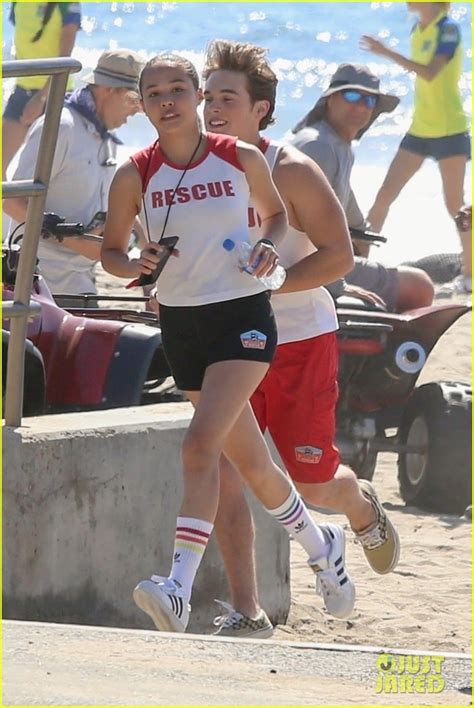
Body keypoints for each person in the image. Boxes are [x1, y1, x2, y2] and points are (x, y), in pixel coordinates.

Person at [101, 52, 357, 634]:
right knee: (252, 464)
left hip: (248, 320)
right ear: (141, 106)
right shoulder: (134, 173)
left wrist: (269, 256)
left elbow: (284, 223)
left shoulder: (250, 159)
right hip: (183, 325)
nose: (171, 101)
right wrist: (133, 265)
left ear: (194, 97)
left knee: (200, 446)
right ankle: (319, 545)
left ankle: (178, 589)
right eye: (154, 93)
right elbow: (116, 253)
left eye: (181, 90)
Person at [202, 39, 400, 638]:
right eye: (206, 95)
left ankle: (361, 509)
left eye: (226, 99)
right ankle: (248, 612)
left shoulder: (290, 168)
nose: (211, 108)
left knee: (311, 481)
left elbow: (340, 258)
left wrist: (270, 288)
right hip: (228, 343)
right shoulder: (194, 164)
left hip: (299, 341)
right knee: (224, 474)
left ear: (260, 109)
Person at [291, 62, 434, 312]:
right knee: (419, 286)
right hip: (302, 264)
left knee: (366, 248)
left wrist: (362, 239)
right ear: (330, 99)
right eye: (352, 95)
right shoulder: (318, 147)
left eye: (369, 101)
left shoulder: (340, 145)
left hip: (321, 258)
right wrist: (338, 283)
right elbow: (298, 228)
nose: (360, 106)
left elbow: (350, 214)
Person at [3, 49, 143, 304]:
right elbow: (11, 201)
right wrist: (78, 241)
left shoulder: (105, 136)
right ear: (110, 90)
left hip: (83, 285)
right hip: (39, 287)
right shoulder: (60, 126)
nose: (137, 111)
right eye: (134, 100)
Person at [361, 2, 471, 294]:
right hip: (420, 128)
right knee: (385, 194)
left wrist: (386, 52)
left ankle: (469, 275)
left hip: (450, 129)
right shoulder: (417, 29)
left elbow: (431, 72)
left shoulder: (448, 30)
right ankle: (358, 263)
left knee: (456, 206)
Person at [2, 2, 82, 179]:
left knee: (48, 174)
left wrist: (41, 97)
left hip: (57, 92)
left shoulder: (67, 3)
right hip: (23, 88)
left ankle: (40, 208)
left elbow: (64, 57)